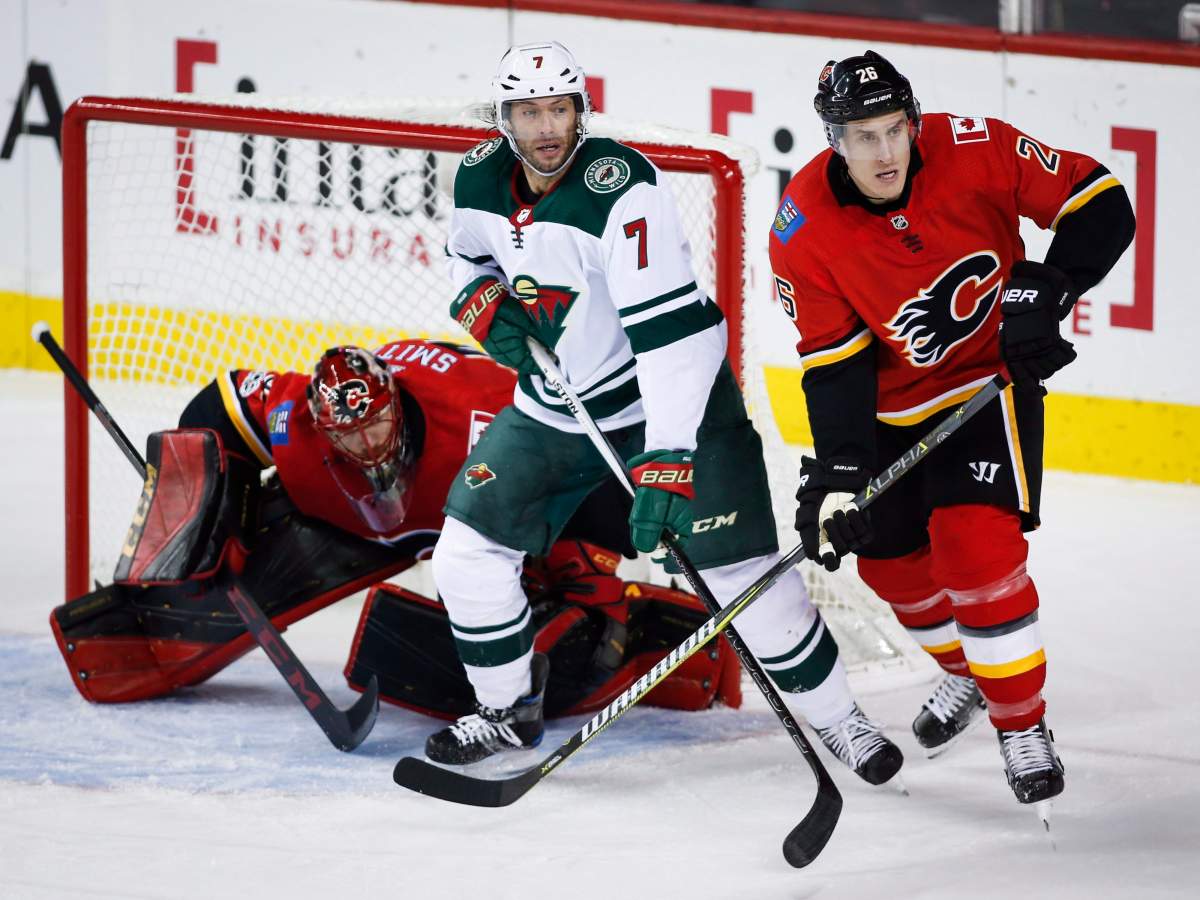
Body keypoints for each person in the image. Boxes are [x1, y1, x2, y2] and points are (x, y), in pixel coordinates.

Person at [428, 39, 903, 784]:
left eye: (560, 108)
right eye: (529, 111)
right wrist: (481, 303)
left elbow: (674, 340)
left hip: (668, 401)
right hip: (557, 407)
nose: (546, 126)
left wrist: (669, 458)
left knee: (738, 571)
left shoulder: (623, 189)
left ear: (581, 112)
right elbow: (469, 260)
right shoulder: (479, 176)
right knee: (465, 553)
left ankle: (843, 721)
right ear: (505, 119)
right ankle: (507, 709)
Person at [768, 50, 1135, 809]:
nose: (885, 151)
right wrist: (839, 473)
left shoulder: (976, 146)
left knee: (975, 548)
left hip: (983, 388)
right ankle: (972, 672)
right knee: (889, 567)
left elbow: (1101, 200)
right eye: (863, 136)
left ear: (914, 121)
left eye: (895, 129)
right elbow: (835, 366)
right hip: (884, 410)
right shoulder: (803, 225)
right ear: (833, 140)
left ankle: (1021, 724)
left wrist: (1052, 284)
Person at [53, 338, 738, 720]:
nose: (369, 448)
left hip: (477, 501)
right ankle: (141, 637)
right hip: (352, 521)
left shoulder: (479, 422)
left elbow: (571, 468)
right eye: (348, 438)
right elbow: (221, 405)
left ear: (397, 406)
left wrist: (587, 559)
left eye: (377, 426)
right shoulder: (299, 419)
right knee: (209, 580)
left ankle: (651, 636)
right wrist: (213, 510)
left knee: (565, 634)